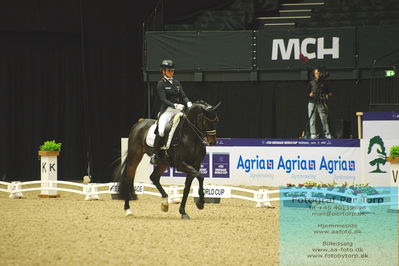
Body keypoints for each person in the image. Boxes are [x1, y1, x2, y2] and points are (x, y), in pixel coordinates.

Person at [150, 59, 192, 165]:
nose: (171, 72)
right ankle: (155, 154)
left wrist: (188, 102)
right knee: (161, 131)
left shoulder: (176, 83)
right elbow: (163, 99)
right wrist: (174, 105)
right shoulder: (161, 84)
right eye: (169, 71)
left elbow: (183, 95)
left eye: (172, 71)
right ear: (163, 71)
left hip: (178, 110)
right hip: (167, 111)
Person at [307, 68, 332, 139]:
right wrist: (311, 94)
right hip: (312, 102)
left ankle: (327, 134)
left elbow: (328, 92)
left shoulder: (323, 83)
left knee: (323, 118)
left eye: (319, 73)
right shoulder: (311, 83)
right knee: (312, 118)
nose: (318, 74)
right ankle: (313, 134)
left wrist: (327, 94)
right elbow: (307, 93)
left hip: (320, 102)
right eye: (316, 73)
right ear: (314, 75)